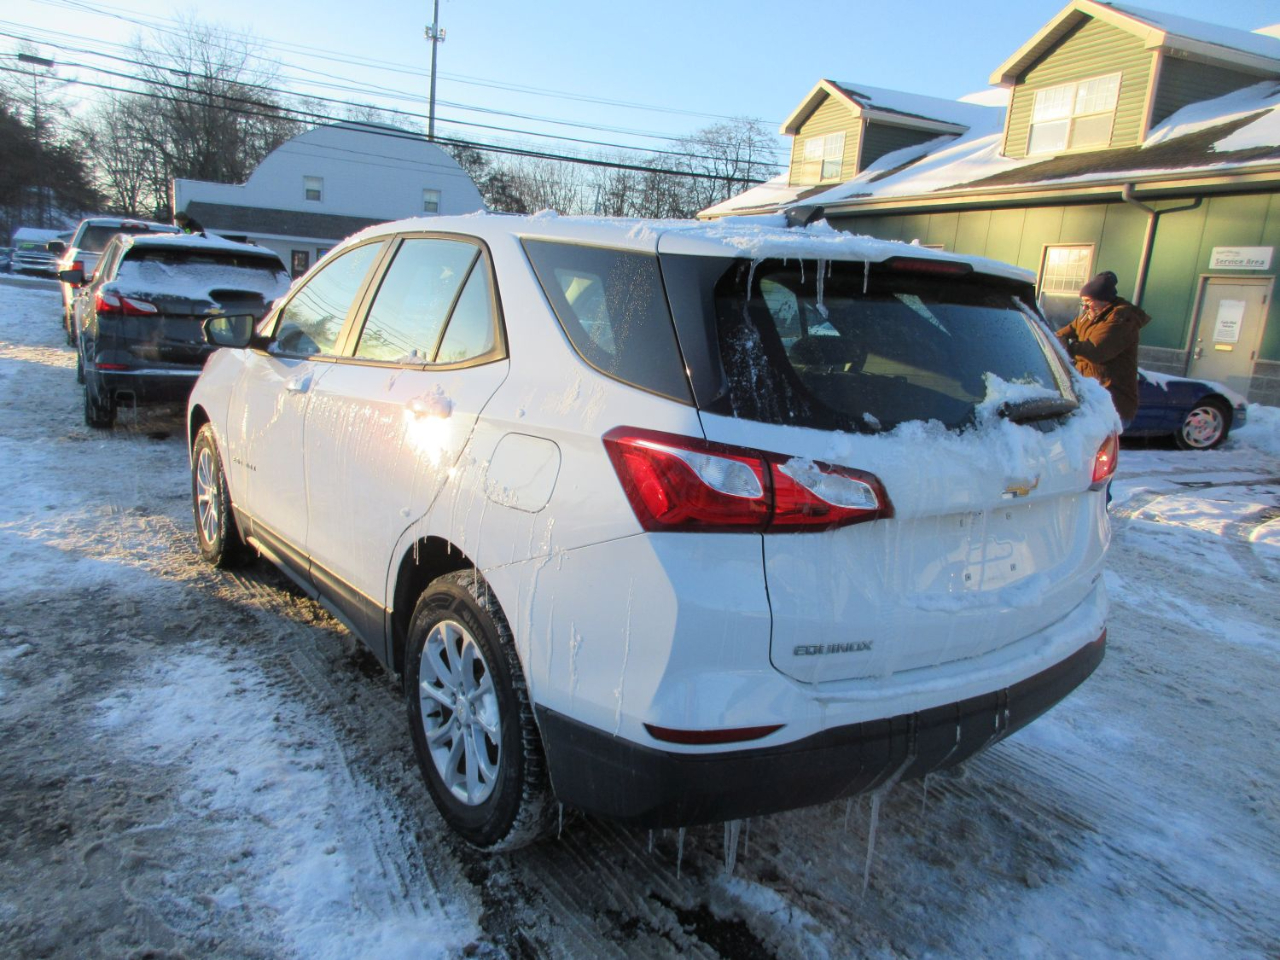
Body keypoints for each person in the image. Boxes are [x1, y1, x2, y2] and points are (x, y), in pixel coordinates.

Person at [1055, 270, 1150, 427]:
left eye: (1089, 302)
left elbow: (1096, 351)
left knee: (1095, 449)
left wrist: (1069, 346)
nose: (1085, 307)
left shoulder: (1121, 320)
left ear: (1104, 301)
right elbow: (1059, 335)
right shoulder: (1088, 316)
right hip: (1090, 396)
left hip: (1111, 402)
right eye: (1083, 302)